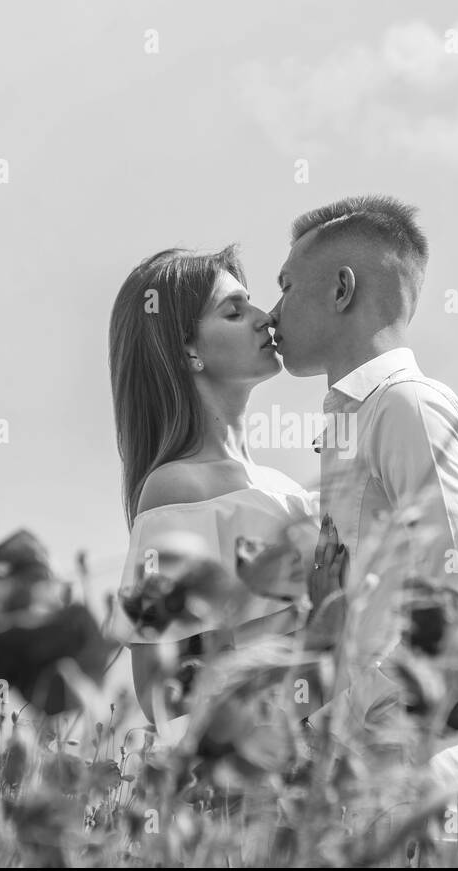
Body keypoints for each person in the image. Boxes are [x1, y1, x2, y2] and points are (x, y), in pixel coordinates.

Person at [268, 195, 458, 830]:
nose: (272, 313)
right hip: (379, 778)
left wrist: (350, 714)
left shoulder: (404, 407)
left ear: (342, 289)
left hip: (428, 778)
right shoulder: (356, 418)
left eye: (287, 287)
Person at [104, 245, 342, 735]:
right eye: (234, 312)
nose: (267, 317)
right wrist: (318, 632)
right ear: (188, 349)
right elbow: (161, 693)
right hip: (254, 786)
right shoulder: (177, 489)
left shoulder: (285, 488)